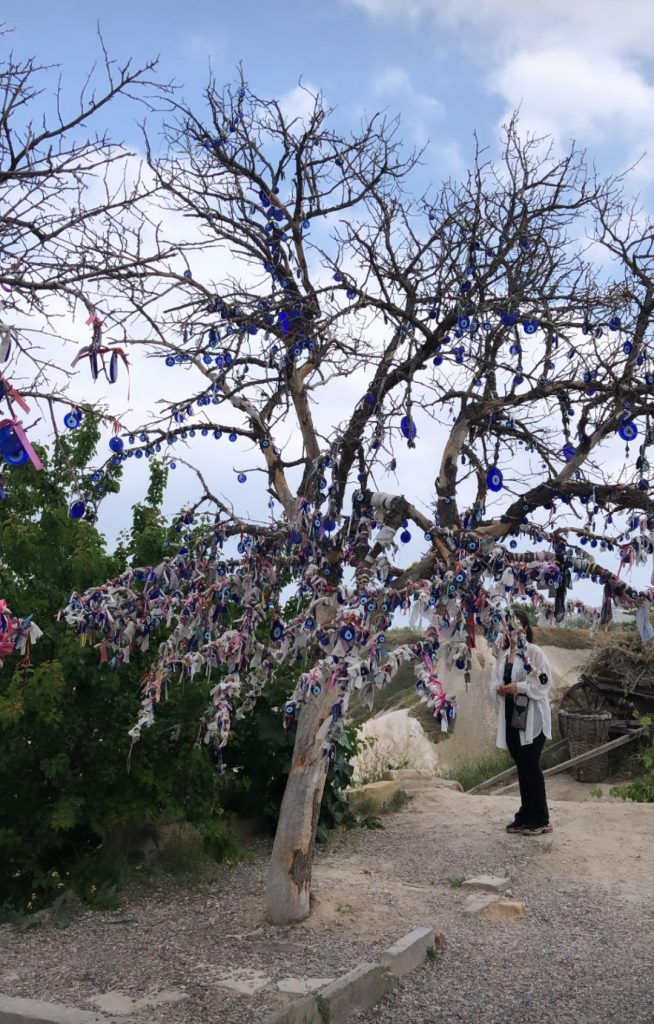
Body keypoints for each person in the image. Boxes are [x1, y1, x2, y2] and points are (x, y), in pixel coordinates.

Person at [490, 608, 553, 835]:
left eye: (516, 626)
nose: (511, 632)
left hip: (532, 715)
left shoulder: (533, 652)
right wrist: (498, 689)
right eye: (507, 627)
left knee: (530, 764)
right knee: (521, 765)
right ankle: (526, 814)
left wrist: (517, 687)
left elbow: (543, 683)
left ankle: (541, 818)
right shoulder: (504, 654)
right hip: (512, 713)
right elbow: (494, 680)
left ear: (524, 628)